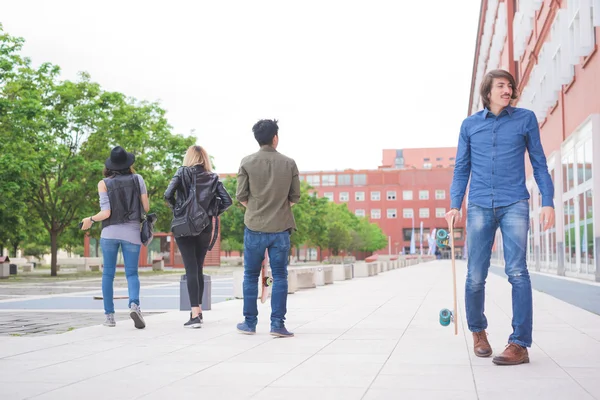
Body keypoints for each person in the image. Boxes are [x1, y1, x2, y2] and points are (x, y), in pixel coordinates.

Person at [447, 69, 555, 365]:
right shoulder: (469, 125)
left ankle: (519, 343)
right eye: (501, 86)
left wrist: (549, 200)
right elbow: (461, 168)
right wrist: (455, 203)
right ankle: (479, 332)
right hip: (480, 204)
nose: (507, 90)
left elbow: (539, 162)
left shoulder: (525, 119)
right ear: (488, 91)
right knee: (475, 276)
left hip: (514, 203)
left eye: (510, 86)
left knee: (518, 272)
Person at [236, 119, 300, 337]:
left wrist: (256, 209)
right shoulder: (289, 163)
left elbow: (241, 196)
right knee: (280, 276)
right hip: (281, 229)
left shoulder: (246, 162)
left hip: (254, 226)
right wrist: (278, 209)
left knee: (250, 275)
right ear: (275, 138)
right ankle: (277, 325)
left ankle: (249, 323)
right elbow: (295, 197)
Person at [80, 146, 149, 329]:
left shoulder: (103, 183)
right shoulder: (138, 179)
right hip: (132, 232)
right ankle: (134, 305)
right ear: (128, 163)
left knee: (108, 274)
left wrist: (90, 219)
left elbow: (106, 212)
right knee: (132, 273)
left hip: (109, 233)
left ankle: (109, 317)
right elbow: (146, 208)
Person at [164, 145, 232, 328]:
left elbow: (168, 194)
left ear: (189, 157)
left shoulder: (181, 172)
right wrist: (210, 212)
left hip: (184, 226)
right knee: (198, 268)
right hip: (204, 226)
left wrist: (178, 210)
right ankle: (198, 311)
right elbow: (227, 201)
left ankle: (195, 315)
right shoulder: (212, 177)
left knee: (191, 269)